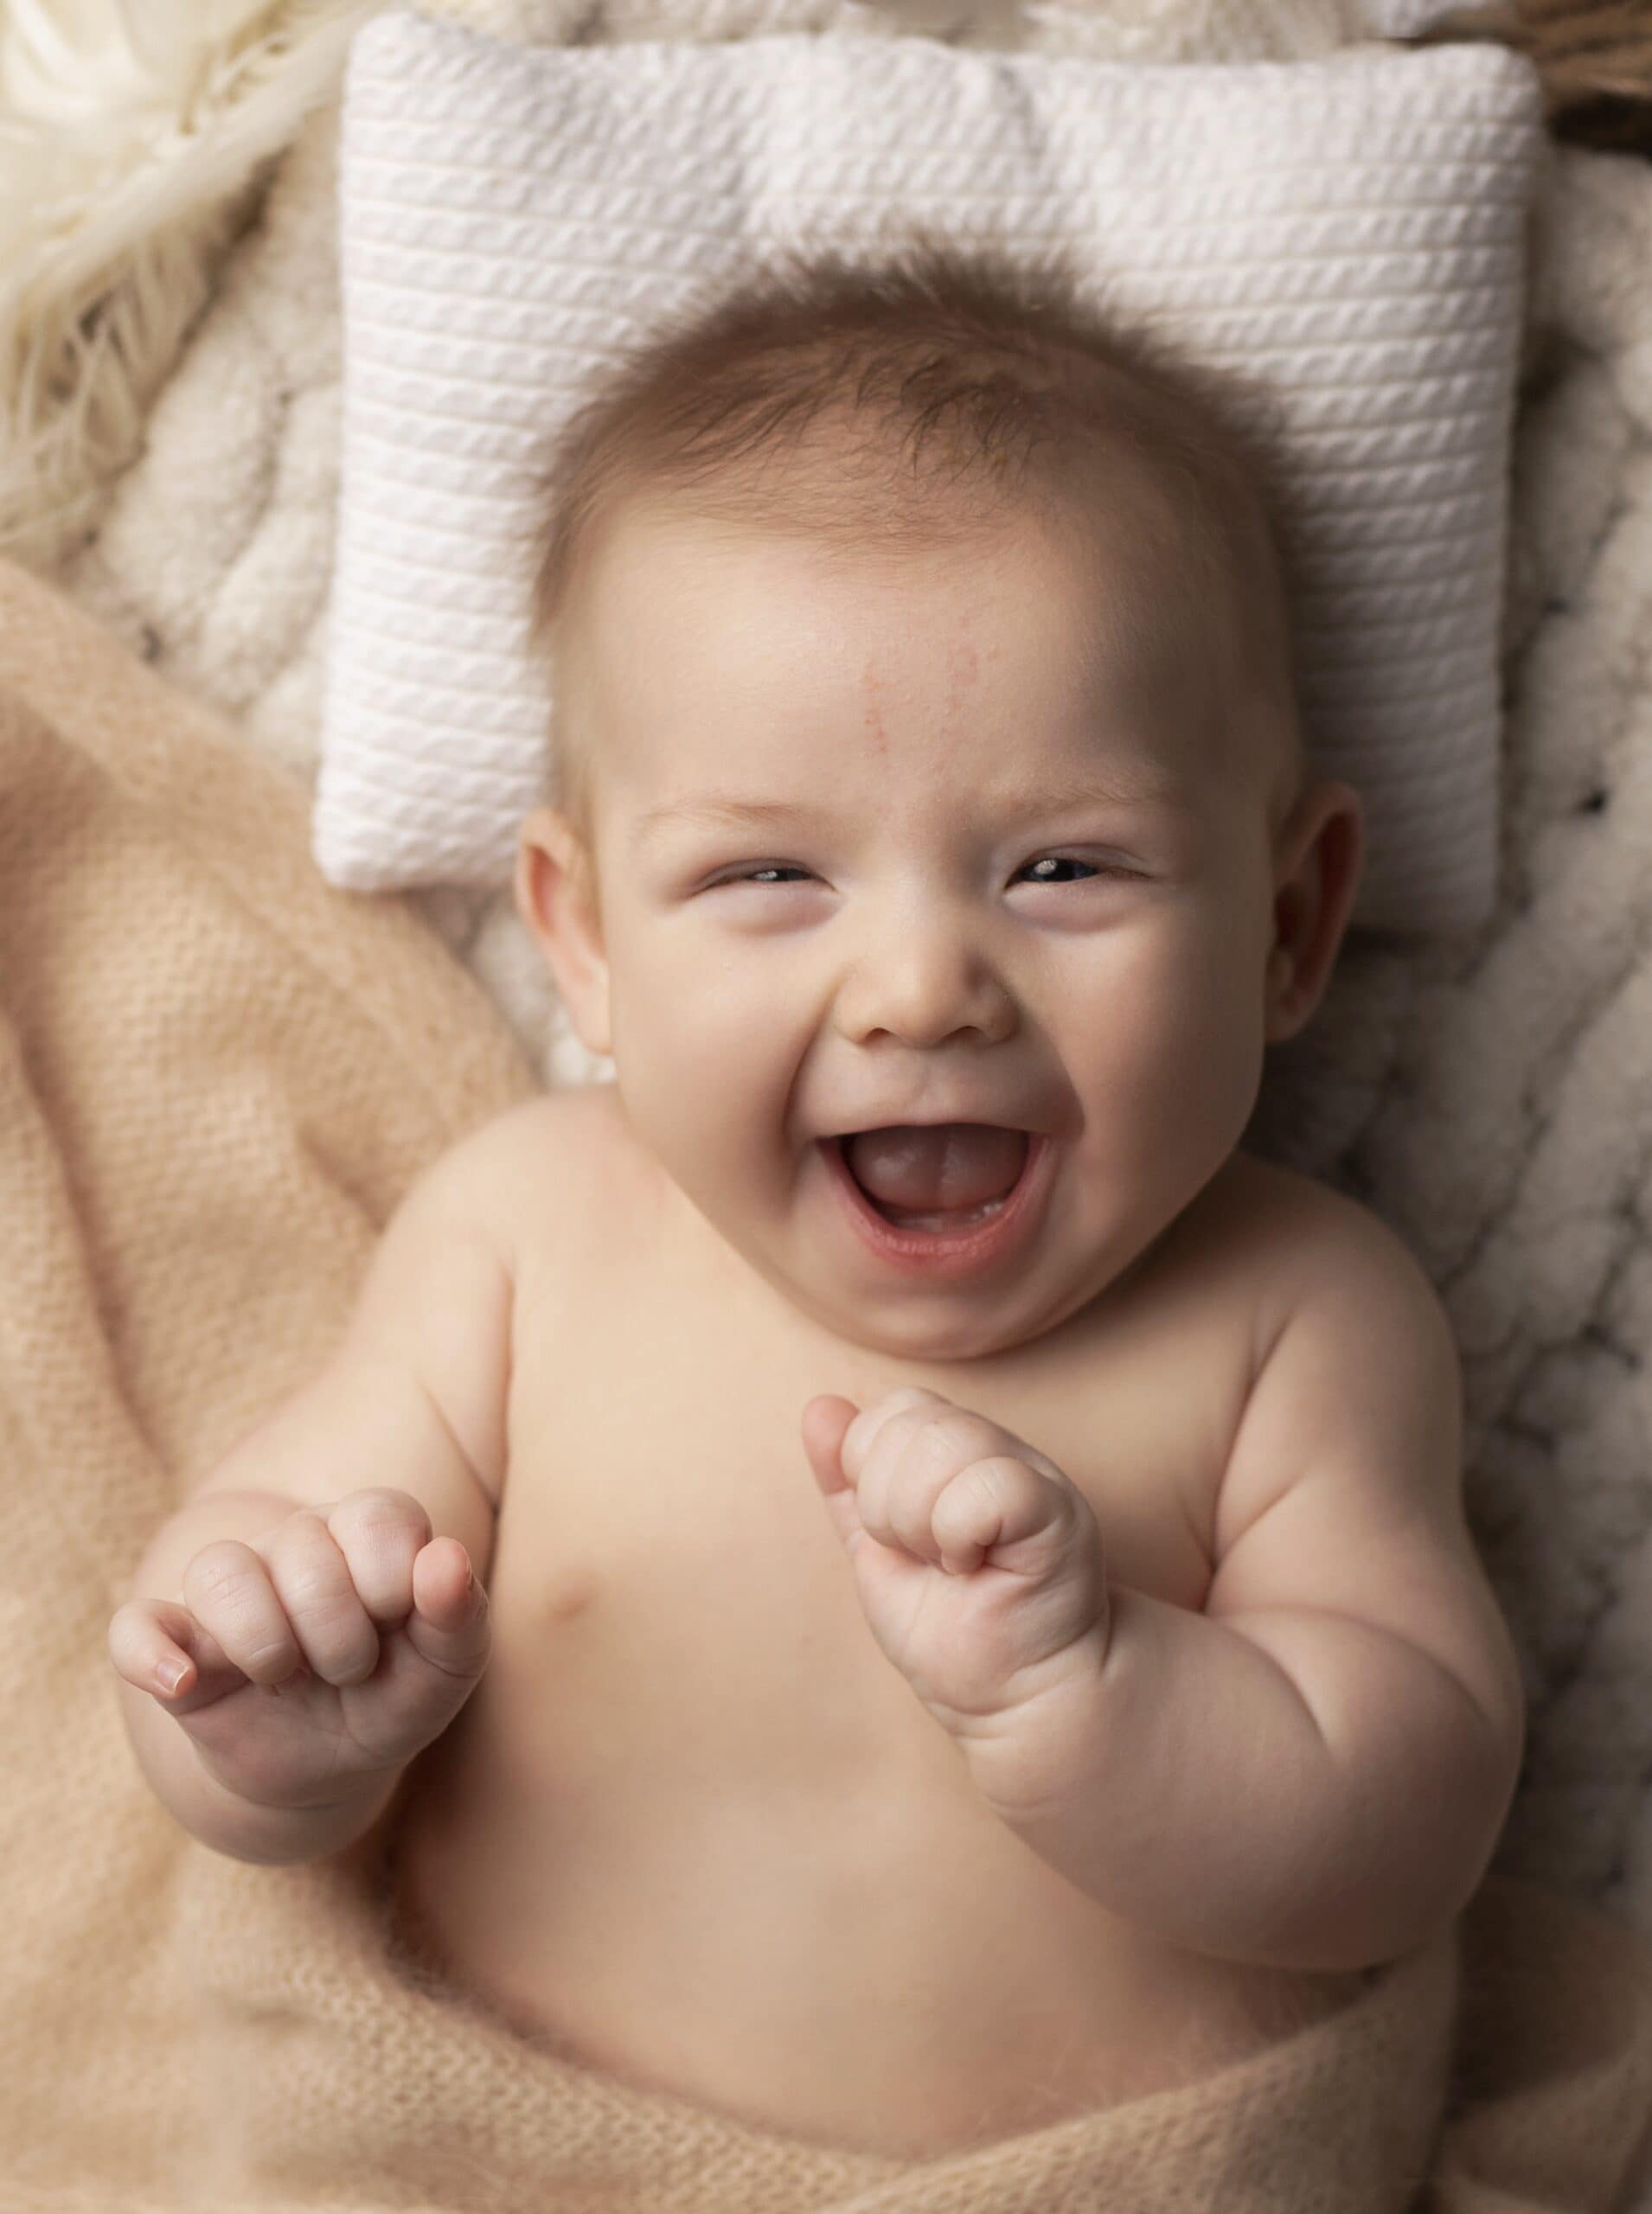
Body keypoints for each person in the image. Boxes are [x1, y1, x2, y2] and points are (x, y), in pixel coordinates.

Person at [108, 235, 1526, 2160]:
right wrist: (271, 1721)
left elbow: (1408, 1823)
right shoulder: (524, 1241)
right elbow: (258, 1613)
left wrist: (1100, 1689)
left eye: (1063, 868)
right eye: (770, 877)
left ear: (1287, 922)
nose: (924, 985)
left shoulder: (1295, 1313)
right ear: (583, 940)